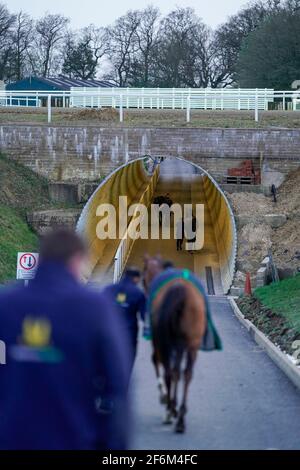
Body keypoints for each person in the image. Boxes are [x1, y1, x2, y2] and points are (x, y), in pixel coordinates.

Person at [0, 229, 130, 450]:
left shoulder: (5, 304)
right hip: (74, 438)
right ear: (77, 259)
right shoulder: (95, 308)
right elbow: (117, 386)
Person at [103, 267, 146, 375]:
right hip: (128, 335)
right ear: (136, 279)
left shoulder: (108, 289)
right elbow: (144, 316)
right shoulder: (138, 293)